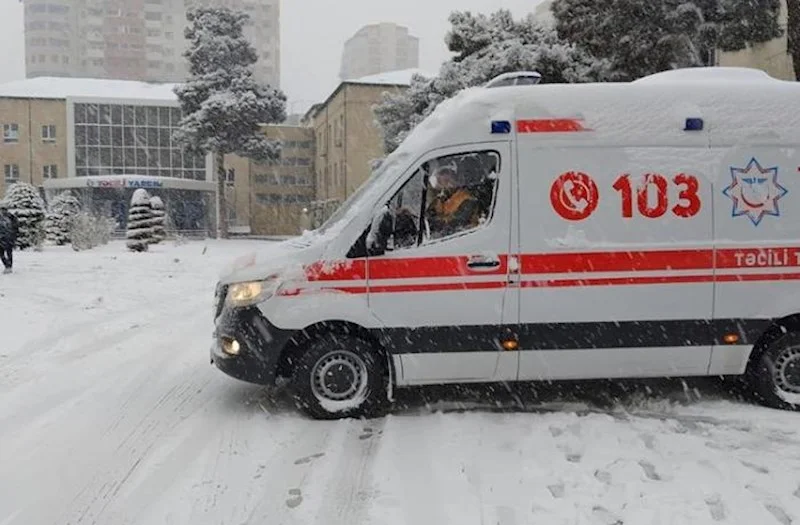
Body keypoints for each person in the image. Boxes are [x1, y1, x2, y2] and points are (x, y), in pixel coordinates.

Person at [425, 164, 482, 238]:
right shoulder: (442, 197)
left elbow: (454, 225)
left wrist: (432, 222)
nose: (439, 177)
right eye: (438, 175)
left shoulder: (468, 200)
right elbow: (429, 213)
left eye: (444, 173)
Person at [0, 202, 19, 274]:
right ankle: (7, 265)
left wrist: (14, 236)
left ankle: (9, 267)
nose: (3, 211)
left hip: (9, 238)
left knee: (9, 253)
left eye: (4, 210)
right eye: (2, 210)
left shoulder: (12, 217)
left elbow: (16, 227)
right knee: (2, 254)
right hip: (1, 238)